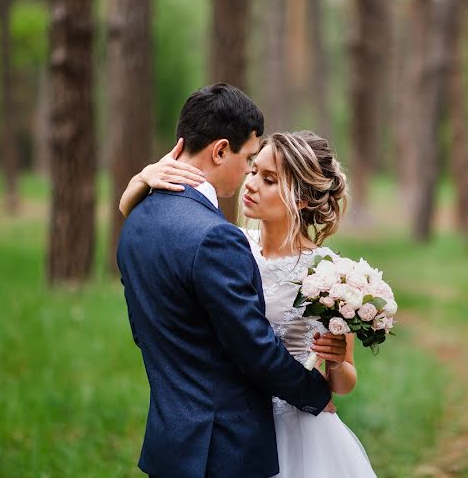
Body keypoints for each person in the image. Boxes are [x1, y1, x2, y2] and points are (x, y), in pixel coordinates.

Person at [116, 84, 347, 478]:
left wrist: (140, 179)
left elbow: (144, 332)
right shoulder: (216, 237)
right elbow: (254, 349)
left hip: (172, 442)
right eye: (248, 160)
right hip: (223, 445)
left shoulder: (137, 218)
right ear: (221, 150)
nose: (248, 177)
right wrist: (315, 393)